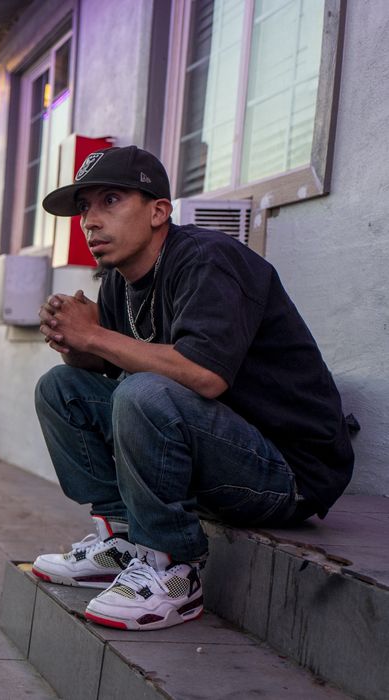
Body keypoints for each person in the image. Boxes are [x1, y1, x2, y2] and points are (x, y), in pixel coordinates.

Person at [30, 145, 354, 631]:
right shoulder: (118, 282)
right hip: (217, 453)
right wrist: (74, 345)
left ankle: (172, 569)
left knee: (144, 394)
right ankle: (121, 540)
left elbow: (204, 374)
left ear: (159, 211)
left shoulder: (209, 260)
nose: (90, 221)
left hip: (289, 474)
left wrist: (94, 335)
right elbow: (116, 370)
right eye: (84, 208)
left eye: (110, 200)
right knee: (62, 386)